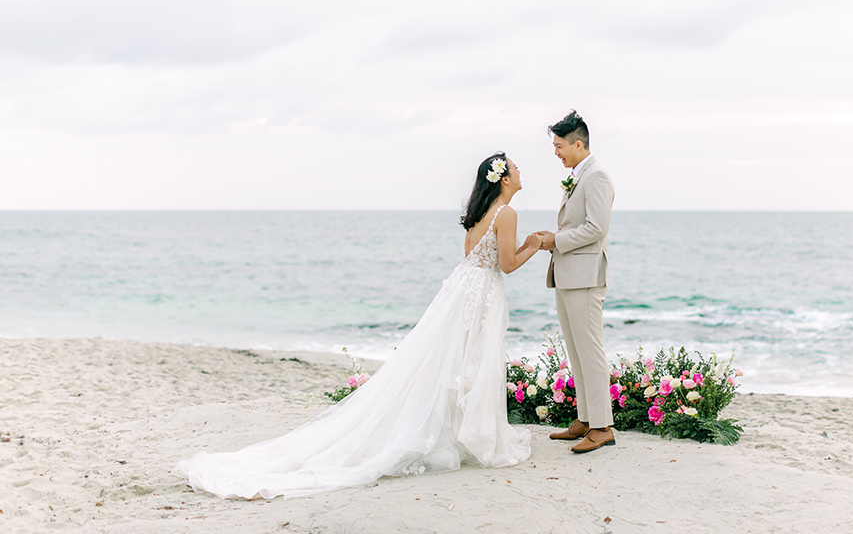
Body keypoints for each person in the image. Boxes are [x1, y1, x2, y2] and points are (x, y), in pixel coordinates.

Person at [175, 153, 542, 499]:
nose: (521, 172)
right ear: (503, 178)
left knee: (451, 362)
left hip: (463, 290)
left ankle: (453, 434)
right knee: (470, 361)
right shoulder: (506, 213)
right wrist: (535, 245)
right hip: (480, 294)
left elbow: (472, 258)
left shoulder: (481, 212)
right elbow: (507, 265)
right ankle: (464, 435)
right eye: (515, 168)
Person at [537, 111, 616, 454]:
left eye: (559, 146)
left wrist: (556, 239)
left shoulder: (596, 176)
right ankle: (585, 419)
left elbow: (596, 228)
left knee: (590, 352)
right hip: (569, 274)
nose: (556, 152)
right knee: (576, 351)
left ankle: (602, 427)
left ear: (578, 143)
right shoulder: (578, 175)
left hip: (585, 276)